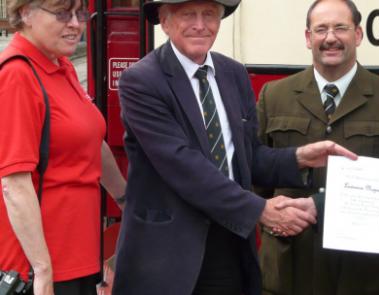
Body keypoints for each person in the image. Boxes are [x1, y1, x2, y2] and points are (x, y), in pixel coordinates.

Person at [111, 0, 356, 294]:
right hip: (169, 256)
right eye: (188, 14)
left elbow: (245, 156)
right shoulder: (141, 81)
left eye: (210, 15)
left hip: (229, 242)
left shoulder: (233, 74)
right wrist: (259, 209)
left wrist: (300, 158)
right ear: (164, 21)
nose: (200, 25)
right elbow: (183, 165)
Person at [256, 0, 379, 294]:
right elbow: (254, 171)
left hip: (361, 273)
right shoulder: (273, 96)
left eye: (340, 28)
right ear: (308, 37)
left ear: (358, 35)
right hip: (287, 266)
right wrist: (266, 210)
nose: (330, 38)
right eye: (321, 29)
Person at [0, 0, 127, 294]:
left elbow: (92, 141)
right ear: (25, 14)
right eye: (61, 14)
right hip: (43, 265)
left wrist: (125, 199)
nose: (75, 24)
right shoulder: (17, 75)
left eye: (79, 13)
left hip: (78, 254)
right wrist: (42, 270)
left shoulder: (61, 65)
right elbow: (14, 184)